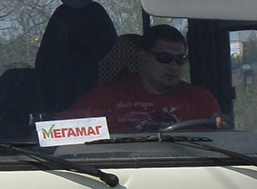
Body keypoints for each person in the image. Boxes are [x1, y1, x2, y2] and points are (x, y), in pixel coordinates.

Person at [62, 24, 223, 132]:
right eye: (164, 58)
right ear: (143, 57)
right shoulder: (104, 97)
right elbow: (55, 134)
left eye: (180, 59)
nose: (174, 66)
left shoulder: (201, 100)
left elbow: (221, 146)